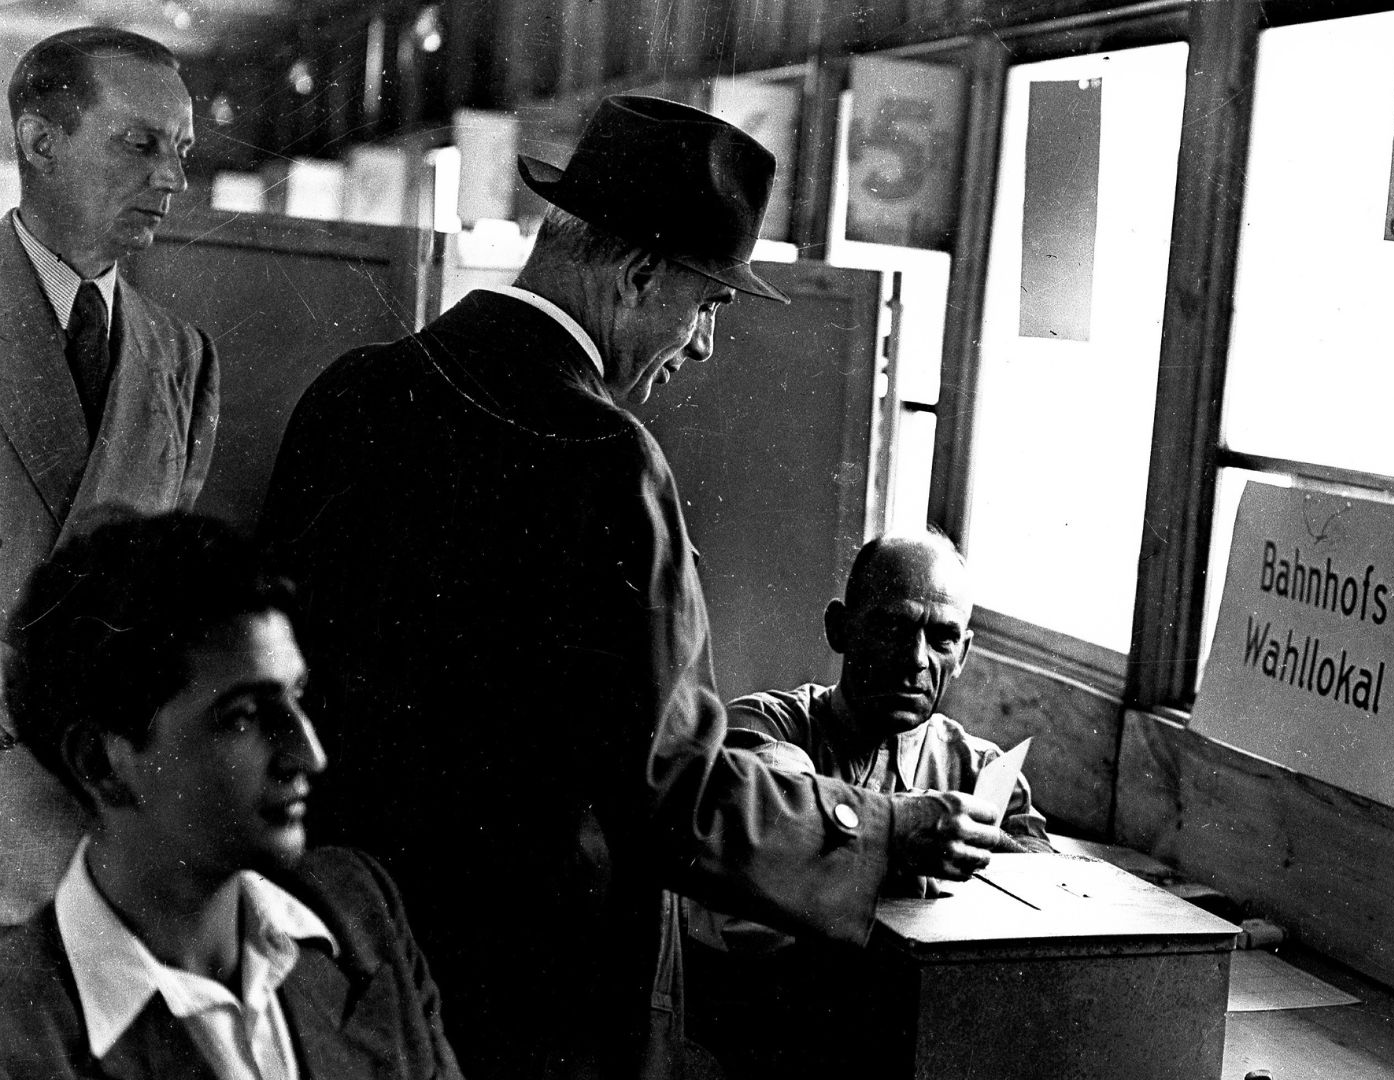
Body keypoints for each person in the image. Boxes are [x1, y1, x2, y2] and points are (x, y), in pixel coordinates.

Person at [256, 95, 1012, 1079]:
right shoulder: (610, 465)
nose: (701, 345)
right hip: (532, 996)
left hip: (340, 949)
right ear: (638, 273)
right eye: (707, 306)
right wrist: (881, 828)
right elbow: (673, 792)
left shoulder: (357, 386)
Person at [0, 511, 460, 1080]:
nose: (309, 755)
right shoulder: (20, 1040)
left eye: (296, 698)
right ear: (101, 763)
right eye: (243, 715)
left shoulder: (358, 910)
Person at [683, 529, 1050, 1077]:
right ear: (840, 627)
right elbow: (777, 824)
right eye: (891, 626)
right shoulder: (762, 730)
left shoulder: (983, 772)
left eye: (942, 638)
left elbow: (1051, 915)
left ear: (965, 652)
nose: (915, 659)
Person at [0, 26, 221, 926]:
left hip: (101, 824)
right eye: (139, 142)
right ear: (39, 141)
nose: (170, 176)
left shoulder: (180, 359)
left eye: (183, 151)